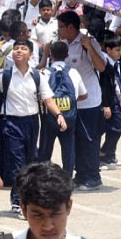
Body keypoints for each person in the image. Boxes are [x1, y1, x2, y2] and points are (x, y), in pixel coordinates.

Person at [0, 39, 66, 214]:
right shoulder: (5, 75)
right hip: (11, 123)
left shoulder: (37, 76)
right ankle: (18, 201)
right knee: (17, 163)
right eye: (16, 48)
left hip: (32, 123)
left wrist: (59, 115)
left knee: (30, 163)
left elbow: (48, 99)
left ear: (31, 54)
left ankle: (25, 197)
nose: (19, 51)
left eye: (23, 48)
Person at [0, 162, 110, 239]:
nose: (47, 226)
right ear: (23, 210)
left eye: (55, 214)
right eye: (38, 214)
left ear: (69, 206)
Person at [57, 10, 106, 191]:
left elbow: (101, 67)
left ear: (71, 27)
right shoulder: (61, 44)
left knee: (89, 139)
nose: (59, 30)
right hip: (71, 101)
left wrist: (90, 47)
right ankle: (80, 174)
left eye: (61, 27)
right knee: (75, 140)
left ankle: (93, 176)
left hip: (89, 100)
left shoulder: (88, 41)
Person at [37, 40, 86, 176]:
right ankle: (67, 179)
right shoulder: (73, 73)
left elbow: (40, 96)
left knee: (45, 150)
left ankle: (43, 179)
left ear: (51, 54)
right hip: (69, 117)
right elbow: (84, 95)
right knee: (68, 151)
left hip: (49, 117)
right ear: (67, 54)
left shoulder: (44, 73)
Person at [100, 32, 121, 169]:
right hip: (105, 99)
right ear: (108, 49)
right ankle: (102, 155)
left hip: (113, 98)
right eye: (117, 50)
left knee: (116, 125)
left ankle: (108, 154)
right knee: (109, 126)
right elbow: (106, 85)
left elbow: (117, 83)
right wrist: (106, 104)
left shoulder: (115, 63)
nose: (120, 53)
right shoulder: (105, 63)